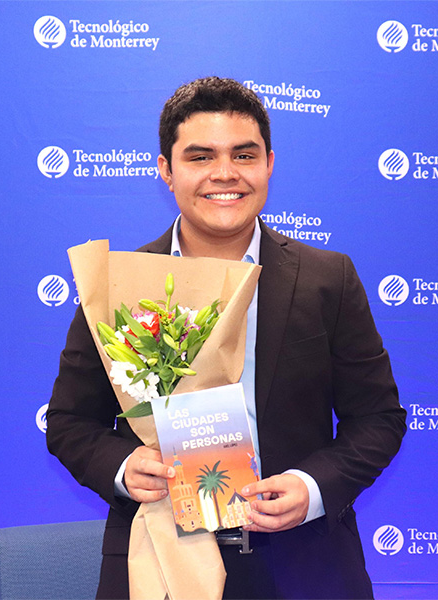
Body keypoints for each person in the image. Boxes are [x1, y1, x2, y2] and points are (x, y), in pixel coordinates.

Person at [47, 76, 406, 599]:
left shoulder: (328, 278)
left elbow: (379, 419)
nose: (225, 174)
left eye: (244, 155)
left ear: (269, 164)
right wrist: (124, 468)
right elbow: (68, 422)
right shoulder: (117, 286)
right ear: (166, 171)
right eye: (200, 157)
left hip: (305, 564)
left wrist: (311, 490)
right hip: (159, 559)